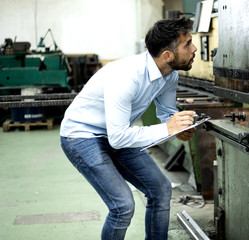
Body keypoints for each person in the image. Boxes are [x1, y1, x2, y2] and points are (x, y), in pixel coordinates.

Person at [60, 17, 197, 240]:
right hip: (81, 135)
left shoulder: (169, 75)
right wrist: (167, 129)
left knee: (161, 190)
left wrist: (177, 127)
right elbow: (119, 138)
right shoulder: (126, 77)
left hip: (117, 133)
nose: (194, 49)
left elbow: (165, 113)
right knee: (122, 205)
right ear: (167, 55)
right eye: (187, 44)